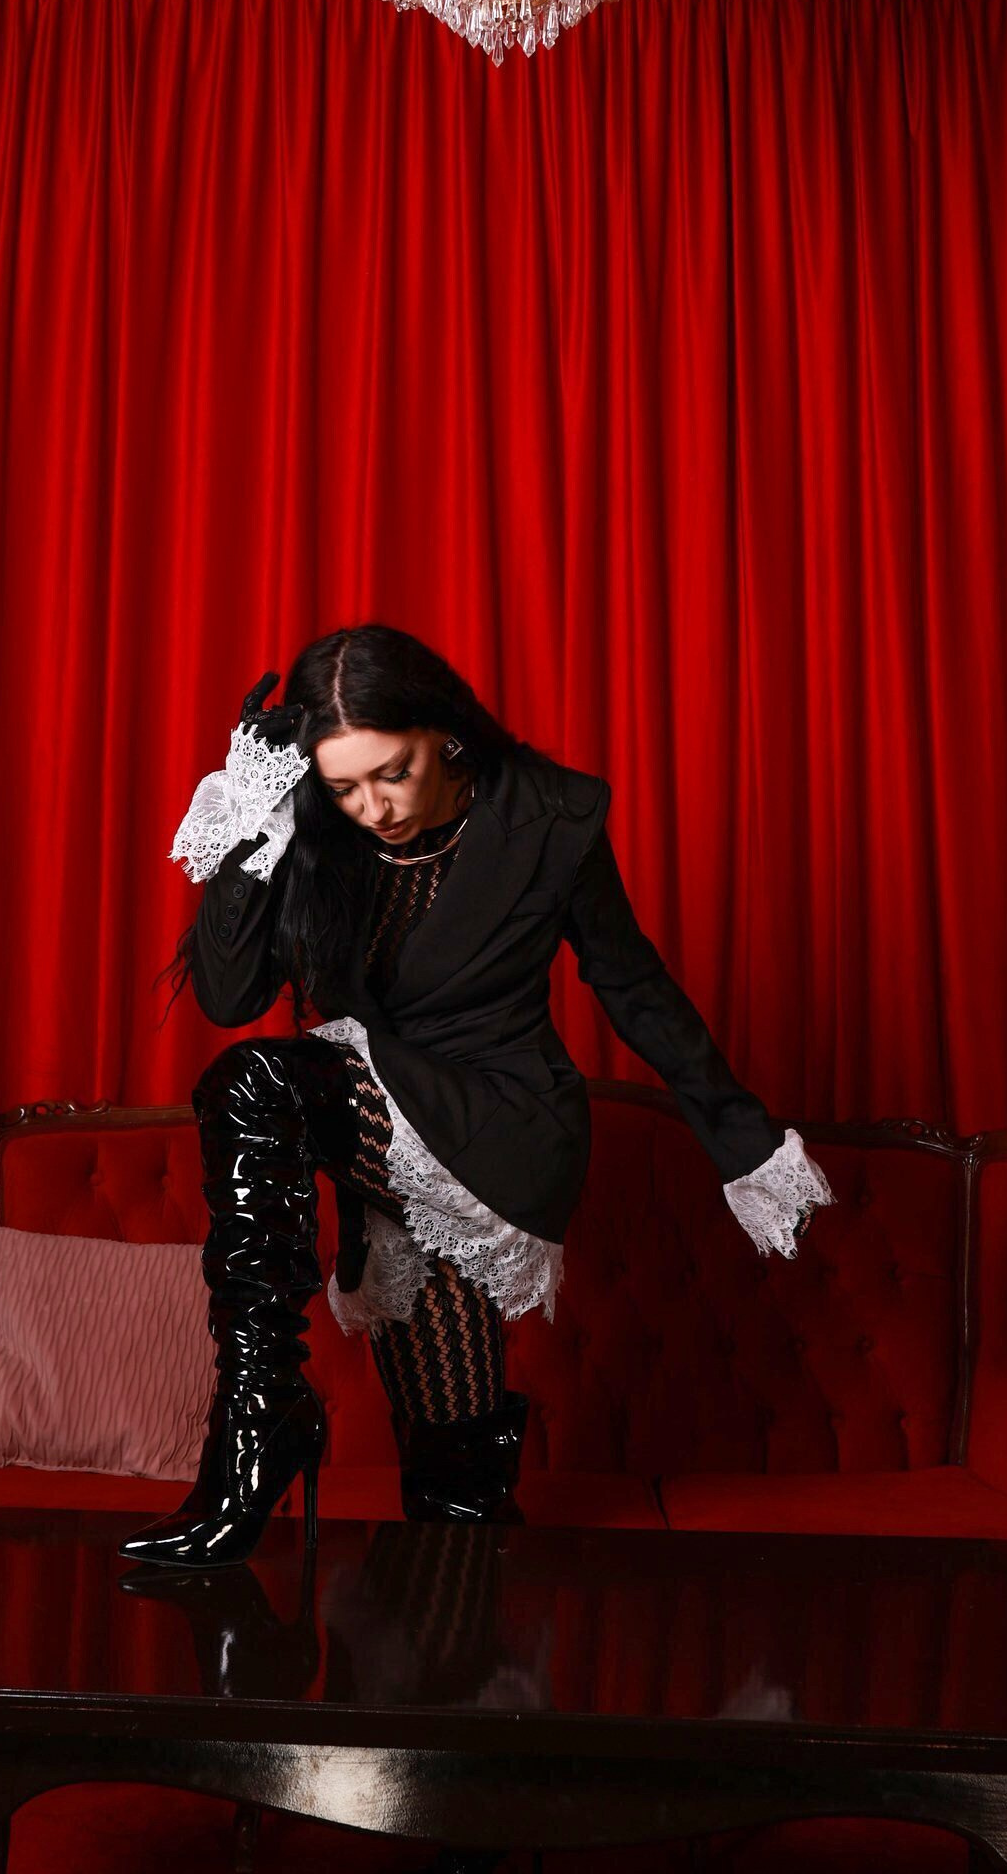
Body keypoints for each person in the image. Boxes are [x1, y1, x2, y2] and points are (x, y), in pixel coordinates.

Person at [120, 624, 832, 1570]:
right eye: (345, 786)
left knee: (254, 1082)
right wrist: (256, 820)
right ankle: (463, 1637)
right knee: (454, 1490)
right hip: (386, 1135)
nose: (372, 807)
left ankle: (260, 1419)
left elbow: (634, 987)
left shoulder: (546, 816)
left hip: (502, 1122)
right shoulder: (313, 824)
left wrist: (748, 1147)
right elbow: (227, 996)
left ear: (443, 733)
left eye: (393, 773)